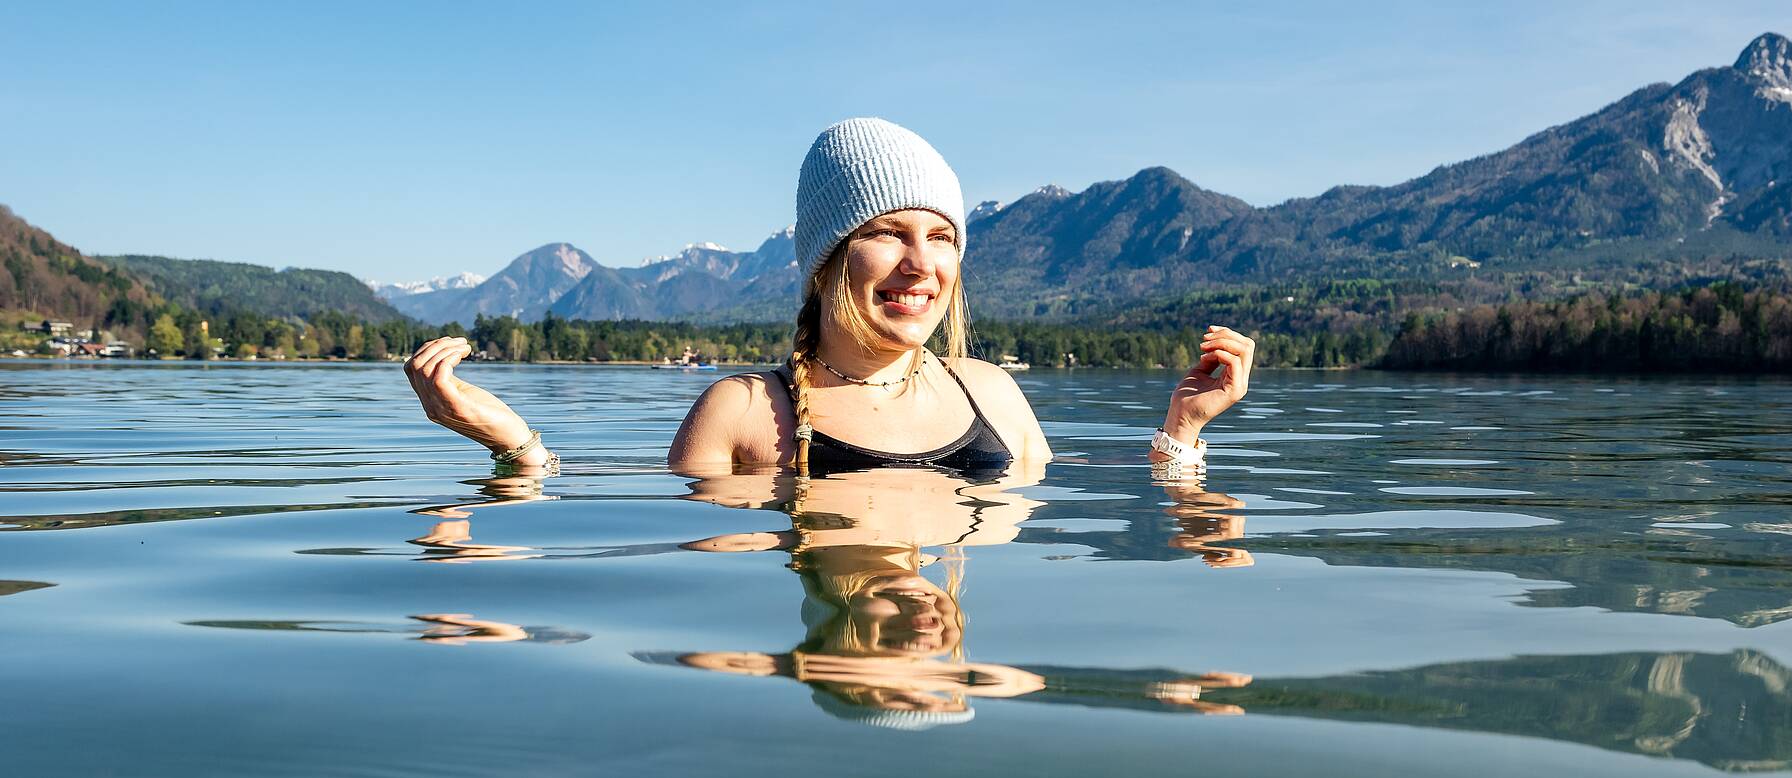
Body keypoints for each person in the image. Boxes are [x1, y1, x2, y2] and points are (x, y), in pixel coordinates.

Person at [403, 118, 1254, 476]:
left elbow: (1129, 502)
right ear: (824, 259)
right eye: (889, 232)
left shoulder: (989, 393)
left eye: (944, 236)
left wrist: (1183, 432)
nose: (922, 263)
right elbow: (631, 521)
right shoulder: (744, 412)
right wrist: (513, 447)